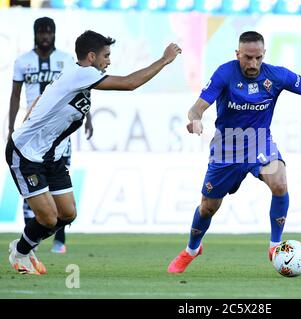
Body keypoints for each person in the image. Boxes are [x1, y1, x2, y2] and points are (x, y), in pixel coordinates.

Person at [6, 30, 181, 274]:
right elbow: (130, 83)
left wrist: (33, 118)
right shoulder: (83, 73)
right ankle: (20, 252)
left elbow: (45, 97)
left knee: (67, 214)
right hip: (27, 154)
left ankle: (24, 246)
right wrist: (164, 60)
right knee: (48, 219)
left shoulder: (73, 73)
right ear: (91, 56)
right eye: (106, 56)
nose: (109, 61)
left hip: (50, 156)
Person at [167, 31, 301, 274]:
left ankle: (274, 246)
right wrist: (196, 120)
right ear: (237, 54)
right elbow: (196, 108)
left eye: (258, 58)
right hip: (226, 148)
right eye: (247, 57)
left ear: (264, 55)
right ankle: (192, 250)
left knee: (279, 182)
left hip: (260, 143)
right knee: (208, 207)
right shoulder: (225, 73)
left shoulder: (276, 75)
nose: (253, 64)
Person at [8, 17, 94, 254]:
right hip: (32, 132)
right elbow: (16, 95)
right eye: (41, 32)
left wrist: (89, 119)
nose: (45, 36)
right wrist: (10, 126)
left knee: (61, 190)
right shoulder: (22, 62)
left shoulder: (66, 60)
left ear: (54, 34)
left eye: (49, 32)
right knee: (36, 193)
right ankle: (30, 244)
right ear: (35, 33)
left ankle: (59, 240)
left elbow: (81, 91)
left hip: (59, 135)